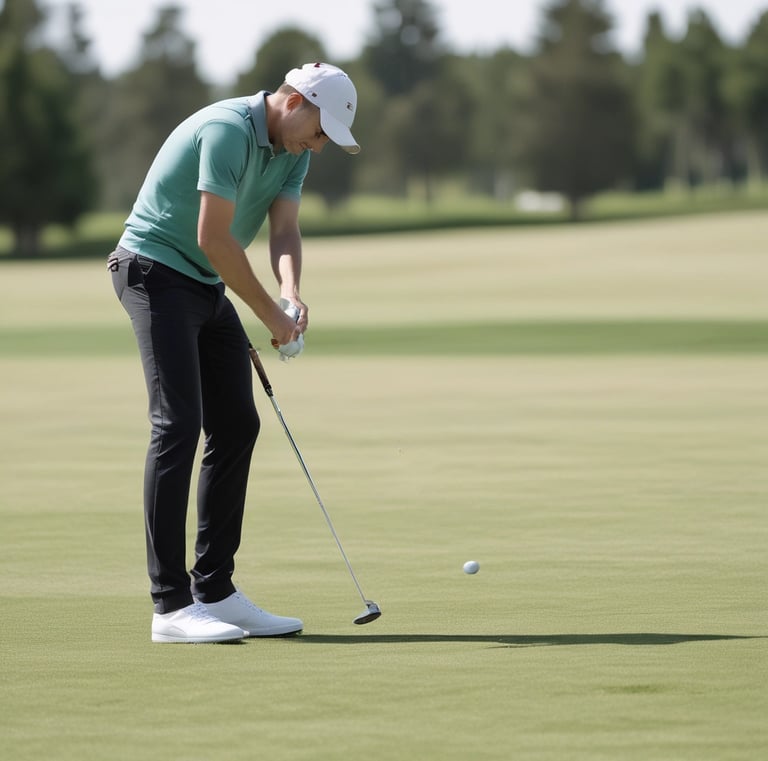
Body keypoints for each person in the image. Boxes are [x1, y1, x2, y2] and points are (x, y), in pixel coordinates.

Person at [108, 63, 360, 643]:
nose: (317, 147)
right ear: (295, 100)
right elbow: (213, 237)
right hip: (152, 269)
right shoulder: (226, 129)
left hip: (202, 282)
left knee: (238, 423)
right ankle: (170, 608)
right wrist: (269, 315)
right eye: (319, 132)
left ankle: (214, 590)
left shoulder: (293, 150)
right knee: (178, 424)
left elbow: (285, 231)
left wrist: (290, 294)